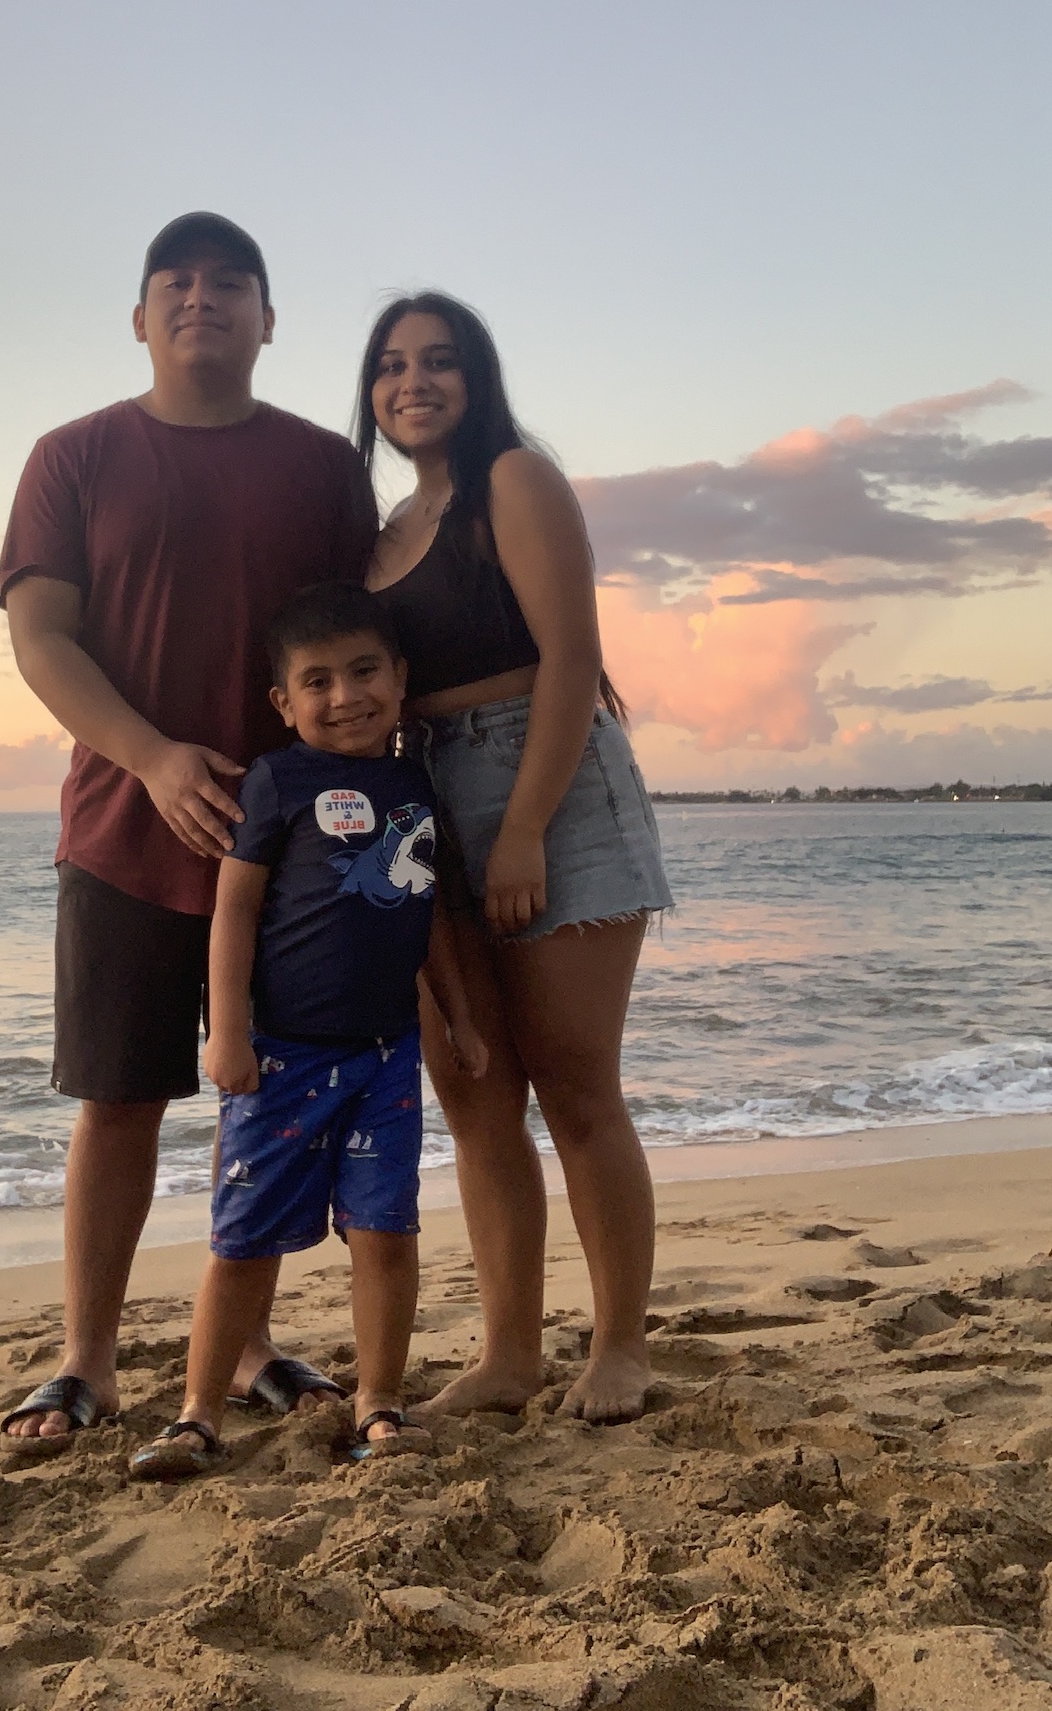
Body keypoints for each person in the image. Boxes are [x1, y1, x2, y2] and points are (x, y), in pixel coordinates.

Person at [0, 213, 378, 1448]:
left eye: (230, 284)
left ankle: (249, 1343)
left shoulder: (324, 467)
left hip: (295, 853)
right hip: (120, 825)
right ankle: (88, 1360)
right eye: (177, 282)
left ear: (268, 320)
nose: (201, 299)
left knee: (259, 1101)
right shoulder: (74, 455)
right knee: (118, 1099)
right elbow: (41, 637)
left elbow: (357, 652)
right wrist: (154, 756)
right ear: (142, 315)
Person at [361, 292, 673, 1426]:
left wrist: (527, 826)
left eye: (440, 360)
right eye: (393, 365)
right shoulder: (387, 527)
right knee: (476, 1087)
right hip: (427, 797)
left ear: (476, 376)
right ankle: (507, 1355)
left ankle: (623, 1346)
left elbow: (573, 657)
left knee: (575, 1078)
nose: (415, 381)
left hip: (549, 779)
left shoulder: (514, 479)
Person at [128, 583, 487, 1480]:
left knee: (386, 1233)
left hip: (385, 1059)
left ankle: (380, 1403)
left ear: (400, 680)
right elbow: (235, 911)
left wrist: (462, 1017)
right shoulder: (277, 780)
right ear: (285, 704)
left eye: (365, 672)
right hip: (283, 1058)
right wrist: (228, 1032)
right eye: (316, 682)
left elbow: (428, 912)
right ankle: (198, 1415)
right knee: (244, 1241)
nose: (345, 697)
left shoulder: (413, 783)